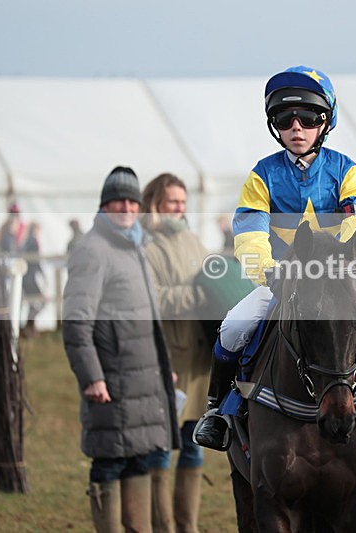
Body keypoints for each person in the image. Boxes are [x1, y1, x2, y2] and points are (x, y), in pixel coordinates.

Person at [193, 65, 356, 451]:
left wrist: (347, 272)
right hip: (279, 283)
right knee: (233, 329)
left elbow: (355, 227)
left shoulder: (346, 171)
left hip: (336, 278)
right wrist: (269, 274)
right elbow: (250, 232)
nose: (296, 127)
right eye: (284, 119)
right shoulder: (261, 175)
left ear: (325, 122)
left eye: (307, 118)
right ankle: (217, 411)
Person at [63, 166, 180, 532]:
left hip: (144, 382)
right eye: (118, 201)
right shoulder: (93, 251)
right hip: (112, 382)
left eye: (132, 200)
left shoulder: (136, 246)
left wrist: (164, 370)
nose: (127, 208)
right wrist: (92, 377)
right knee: (110, 461)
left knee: (140, 461)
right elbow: (76, 323)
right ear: (104, 206)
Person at [141, 173, 211, 533]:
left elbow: (210, 278)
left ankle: (188, 526)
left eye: (182, 202)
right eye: (172, 202)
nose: (179, 208)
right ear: (155, 203)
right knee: (160, 449)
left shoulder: (193, 240)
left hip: (199, 362)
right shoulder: (145, 247)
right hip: (166, 359)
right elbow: (154, 299)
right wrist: (199, 297)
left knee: (193, 446)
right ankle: (163, 526)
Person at [20, 221, 44, 338]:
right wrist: (43, 275)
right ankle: (28, 326)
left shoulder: (26, 241)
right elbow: (35, 261)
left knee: (32, 303)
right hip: (30, 278)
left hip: (26, 278)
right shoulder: (33, 241)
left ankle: (29, 328)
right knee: (41, 300)